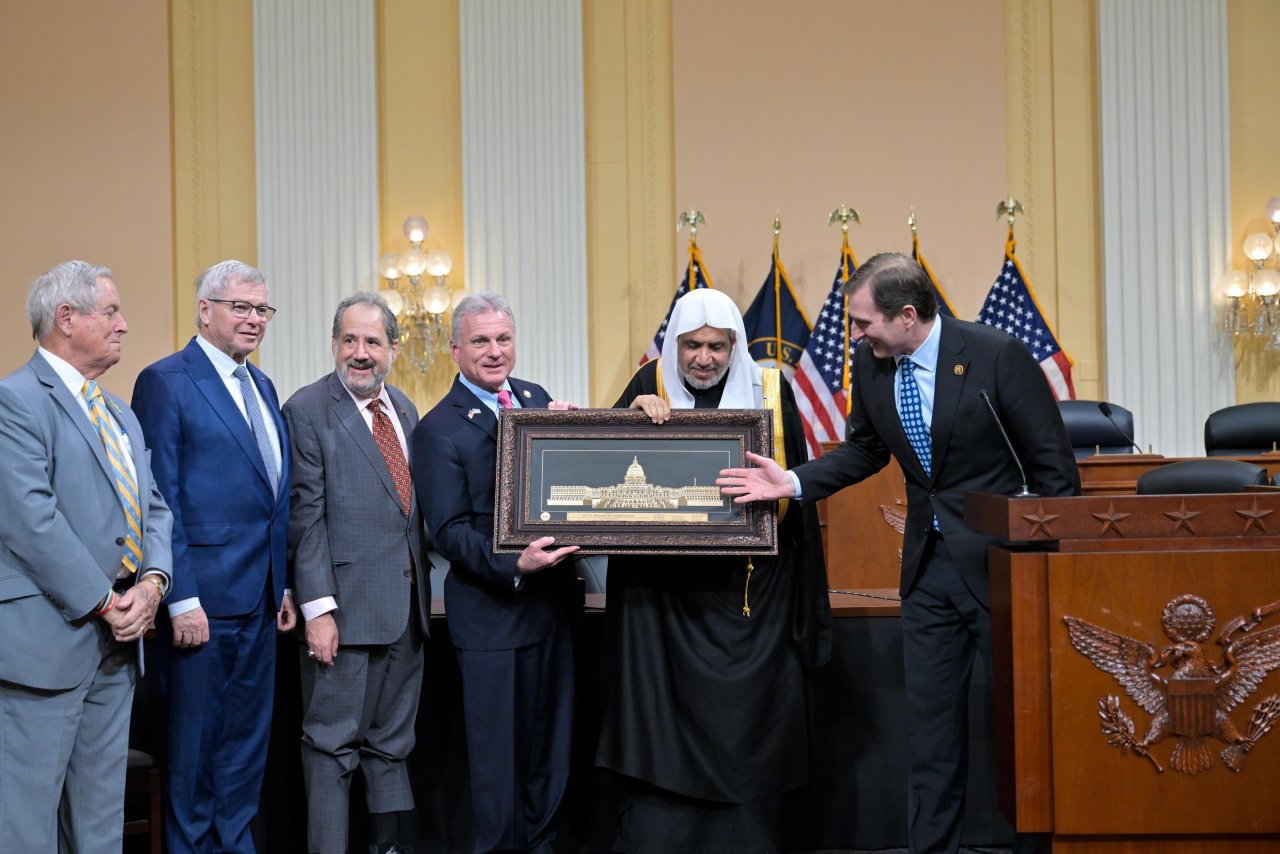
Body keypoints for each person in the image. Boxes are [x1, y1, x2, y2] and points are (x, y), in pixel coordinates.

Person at [719, 252, 1080, 854]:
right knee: (932, 736)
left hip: (1006, 569)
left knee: (1027, 728)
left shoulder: (996, 356)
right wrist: (794, 482)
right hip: (929, 574)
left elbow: (1054, 471)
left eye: (863, 323)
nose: (855, 336)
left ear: (907, 315)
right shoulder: (875, 361)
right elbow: (865, 449)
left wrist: (1048, 570)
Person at [595, 288, 832, 853]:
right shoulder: (646, 386)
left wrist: (807, 609)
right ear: (675, 344)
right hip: (663, 605)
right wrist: (627, 423)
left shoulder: (772, 391)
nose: (703, 358)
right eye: (693, 346)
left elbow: (797, 501)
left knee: (749, 733)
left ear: (734, 347)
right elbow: (601, 479)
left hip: (753, 596)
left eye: (717, 347)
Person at [0, 260, 173, 853]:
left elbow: (154, 510)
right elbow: (32, 521)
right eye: (111, 312)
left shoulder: (119, 411)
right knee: (27, 828)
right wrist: (106, 602)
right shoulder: (15, 401)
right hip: (46, 643)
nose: (125, 325)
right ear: (66, 318)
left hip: (119, 646)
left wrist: (151, 587)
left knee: (99, 827)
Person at [132, 259, 297, 854]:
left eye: (262, 309)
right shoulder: (166, 380)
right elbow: (159, 499)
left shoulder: (264, 385)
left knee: (246, 745)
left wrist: (281, 585)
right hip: (200, 601)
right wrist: (181, 597)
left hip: (260, 600)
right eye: (241, 307)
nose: (254, 319)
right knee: (196, 748)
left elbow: (270, 499)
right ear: (206, 310)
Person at [410, 291, 579, 854]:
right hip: (491, 616)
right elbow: (450, 530)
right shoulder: (439, 429)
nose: (494, 351)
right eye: (480, 341)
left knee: (549, 751)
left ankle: (543, 845)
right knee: (497, 761)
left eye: (502, 338)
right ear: (455, 349)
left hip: (553, 610)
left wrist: (580, 437)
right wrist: (514, 563)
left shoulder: (536, 399)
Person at [283, 292, 430, 854]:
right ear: (335, 344)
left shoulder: (406, 410)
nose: (360, 353)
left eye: (373, 342)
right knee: (330, 750)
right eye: (350, 340)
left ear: (394, 347)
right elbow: (306, 518)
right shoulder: (308, 409)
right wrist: (318, 610)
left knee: (392, 749)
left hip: (406, 617)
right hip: (342, 616)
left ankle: (387, 849)